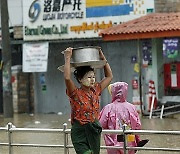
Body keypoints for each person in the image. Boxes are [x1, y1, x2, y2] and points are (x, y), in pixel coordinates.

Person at [63, 47, 113, 154]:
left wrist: (102, 57)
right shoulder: (75, 93)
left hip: (94, 129)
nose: (92, 80)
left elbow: (109, 76)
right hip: (80, 131)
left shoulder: (96, 90)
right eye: (89, 77)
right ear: (80, 80)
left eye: (93, 77)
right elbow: (67, 78)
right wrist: (68, 57)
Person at [99, 82, 148, 154]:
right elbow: (137, 126)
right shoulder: (132, 107)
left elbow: (100, 124)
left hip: (113, 144)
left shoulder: (108, 108)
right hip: (130, 142)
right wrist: (137, 140)